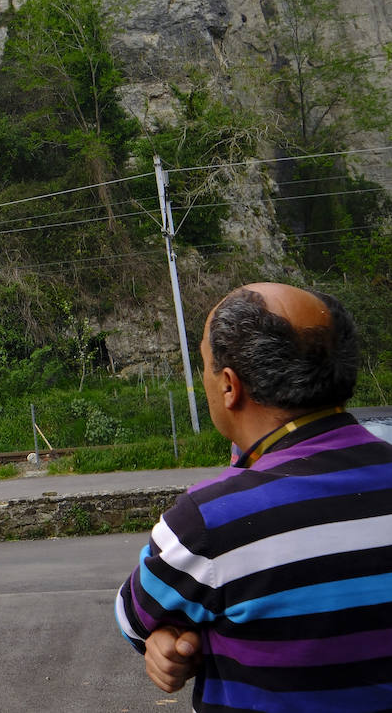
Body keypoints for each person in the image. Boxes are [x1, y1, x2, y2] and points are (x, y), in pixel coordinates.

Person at [116, 283, 392, 712]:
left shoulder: (212, 521)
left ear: (229, 386)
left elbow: (135, 615)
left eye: (205, 365)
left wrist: (171, 637)